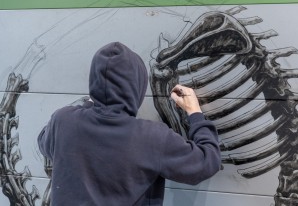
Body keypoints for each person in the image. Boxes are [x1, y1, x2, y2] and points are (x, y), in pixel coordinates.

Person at [37, 42, 221, 206]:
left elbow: (44, 142)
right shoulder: (151, 138)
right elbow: (206, 162)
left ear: (94, 80)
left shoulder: (63, 122)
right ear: (138, 87)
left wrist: (88, 106)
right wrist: (195, 113)